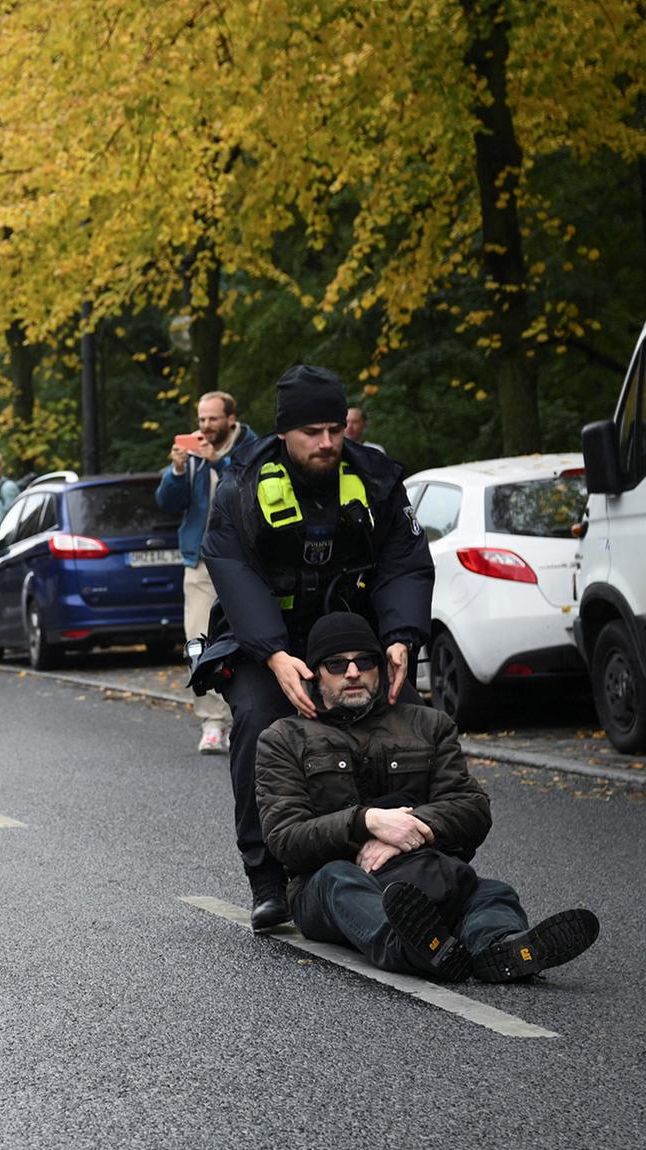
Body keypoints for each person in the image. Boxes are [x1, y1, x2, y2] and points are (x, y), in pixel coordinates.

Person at [194, 365, 432, 931]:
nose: (327, 442)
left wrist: (400, 639)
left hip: (355, 637)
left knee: (408, 715)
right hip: (264, 642)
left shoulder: (376, 480)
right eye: (312, 432)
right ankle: (268, 876)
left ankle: (410, 849)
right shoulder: (241, 488)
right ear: (283, 435)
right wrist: (274, 655)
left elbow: (405, 562)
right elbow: (233, 571)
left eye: (335, 428)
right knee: (257, 718)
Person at [254, 613, 597, 982]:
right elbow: (285, 837)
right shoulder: (283, 739)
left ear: (380, 668)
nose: (352, 672)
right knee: (338, 880)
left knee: (490, 894)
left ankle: (502, 948)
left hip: (425, 871)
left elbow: (472, 807)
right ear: (315, 674)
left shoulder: (430, 725)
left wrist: (411, 830)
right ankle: (408, 947)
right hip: (331, 884)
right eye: (336, 664)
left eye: (364, 661)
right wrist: (367, 822)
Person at [156, 391, 257, 755]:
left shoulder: (252, 447)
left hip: (245, 560)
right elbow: (167, 503)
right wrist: (178, 471)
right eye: (201, 420)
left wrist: (218, 461)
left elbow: (250, 487)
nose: (205, 427)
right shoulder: (192, 452)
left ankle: (246, 717)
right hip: (200, 560)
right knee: (199, 639)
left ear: (231, 419)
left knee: (248, 637)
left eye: (212, 419)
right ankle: (212, 723)